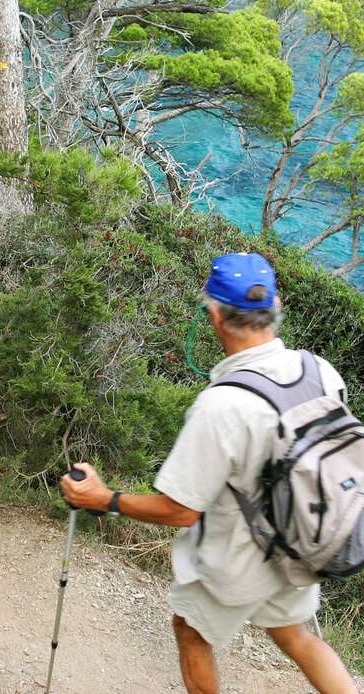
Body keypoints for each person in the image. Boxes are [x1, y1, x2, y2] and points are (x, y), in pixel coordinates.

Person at [61, 253, 357, 694]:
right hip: (302, 539)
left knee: (192, 633)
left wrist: (105, 499)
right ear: (274, 307)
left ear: (214, 315)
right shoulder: (319, 370)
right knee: (297, 635)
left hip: (237, 559)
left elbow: (182, 511)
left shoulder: (222, 406)